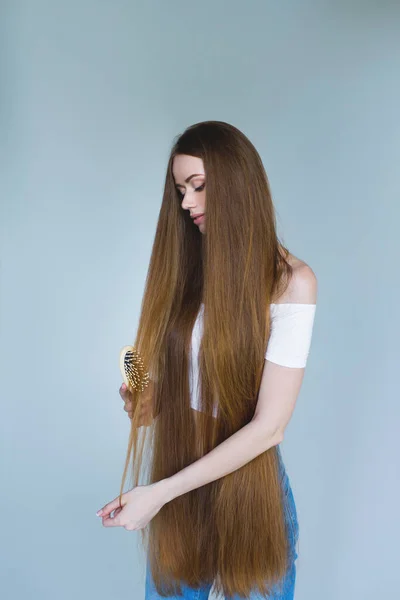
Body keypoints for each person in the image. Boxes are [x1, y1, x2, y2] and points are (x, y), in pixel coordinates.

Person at [96, 121, 318, 599]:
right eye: (180, 190)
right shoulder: (191, 271)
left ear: (238, 185)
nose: (186, 204)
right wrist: (146, 402)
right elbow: (183, 390)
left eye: (198, 187)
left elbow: (270, 427)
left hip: (249, 492)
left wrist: (157, 493)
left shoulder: (291, 283)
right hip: (180, 476)